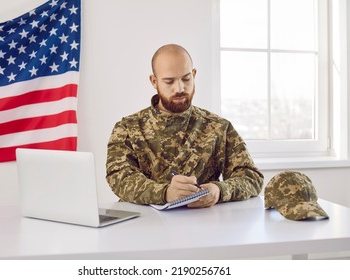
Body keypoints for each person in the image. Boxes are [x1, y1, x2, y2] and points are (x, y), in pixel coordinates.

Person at [106, 44, 263, 208]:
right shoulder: (128, 128)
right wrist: (164, 193)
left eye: (186, 79)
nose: (180, 88)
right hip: (142, 226)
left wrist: (220, 190)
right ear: (154, 81)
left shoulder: (218, 127)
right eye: (169, 81)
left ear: (194, 74)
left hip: (202, 225)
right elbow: (118, 177)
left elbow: (252, 177)